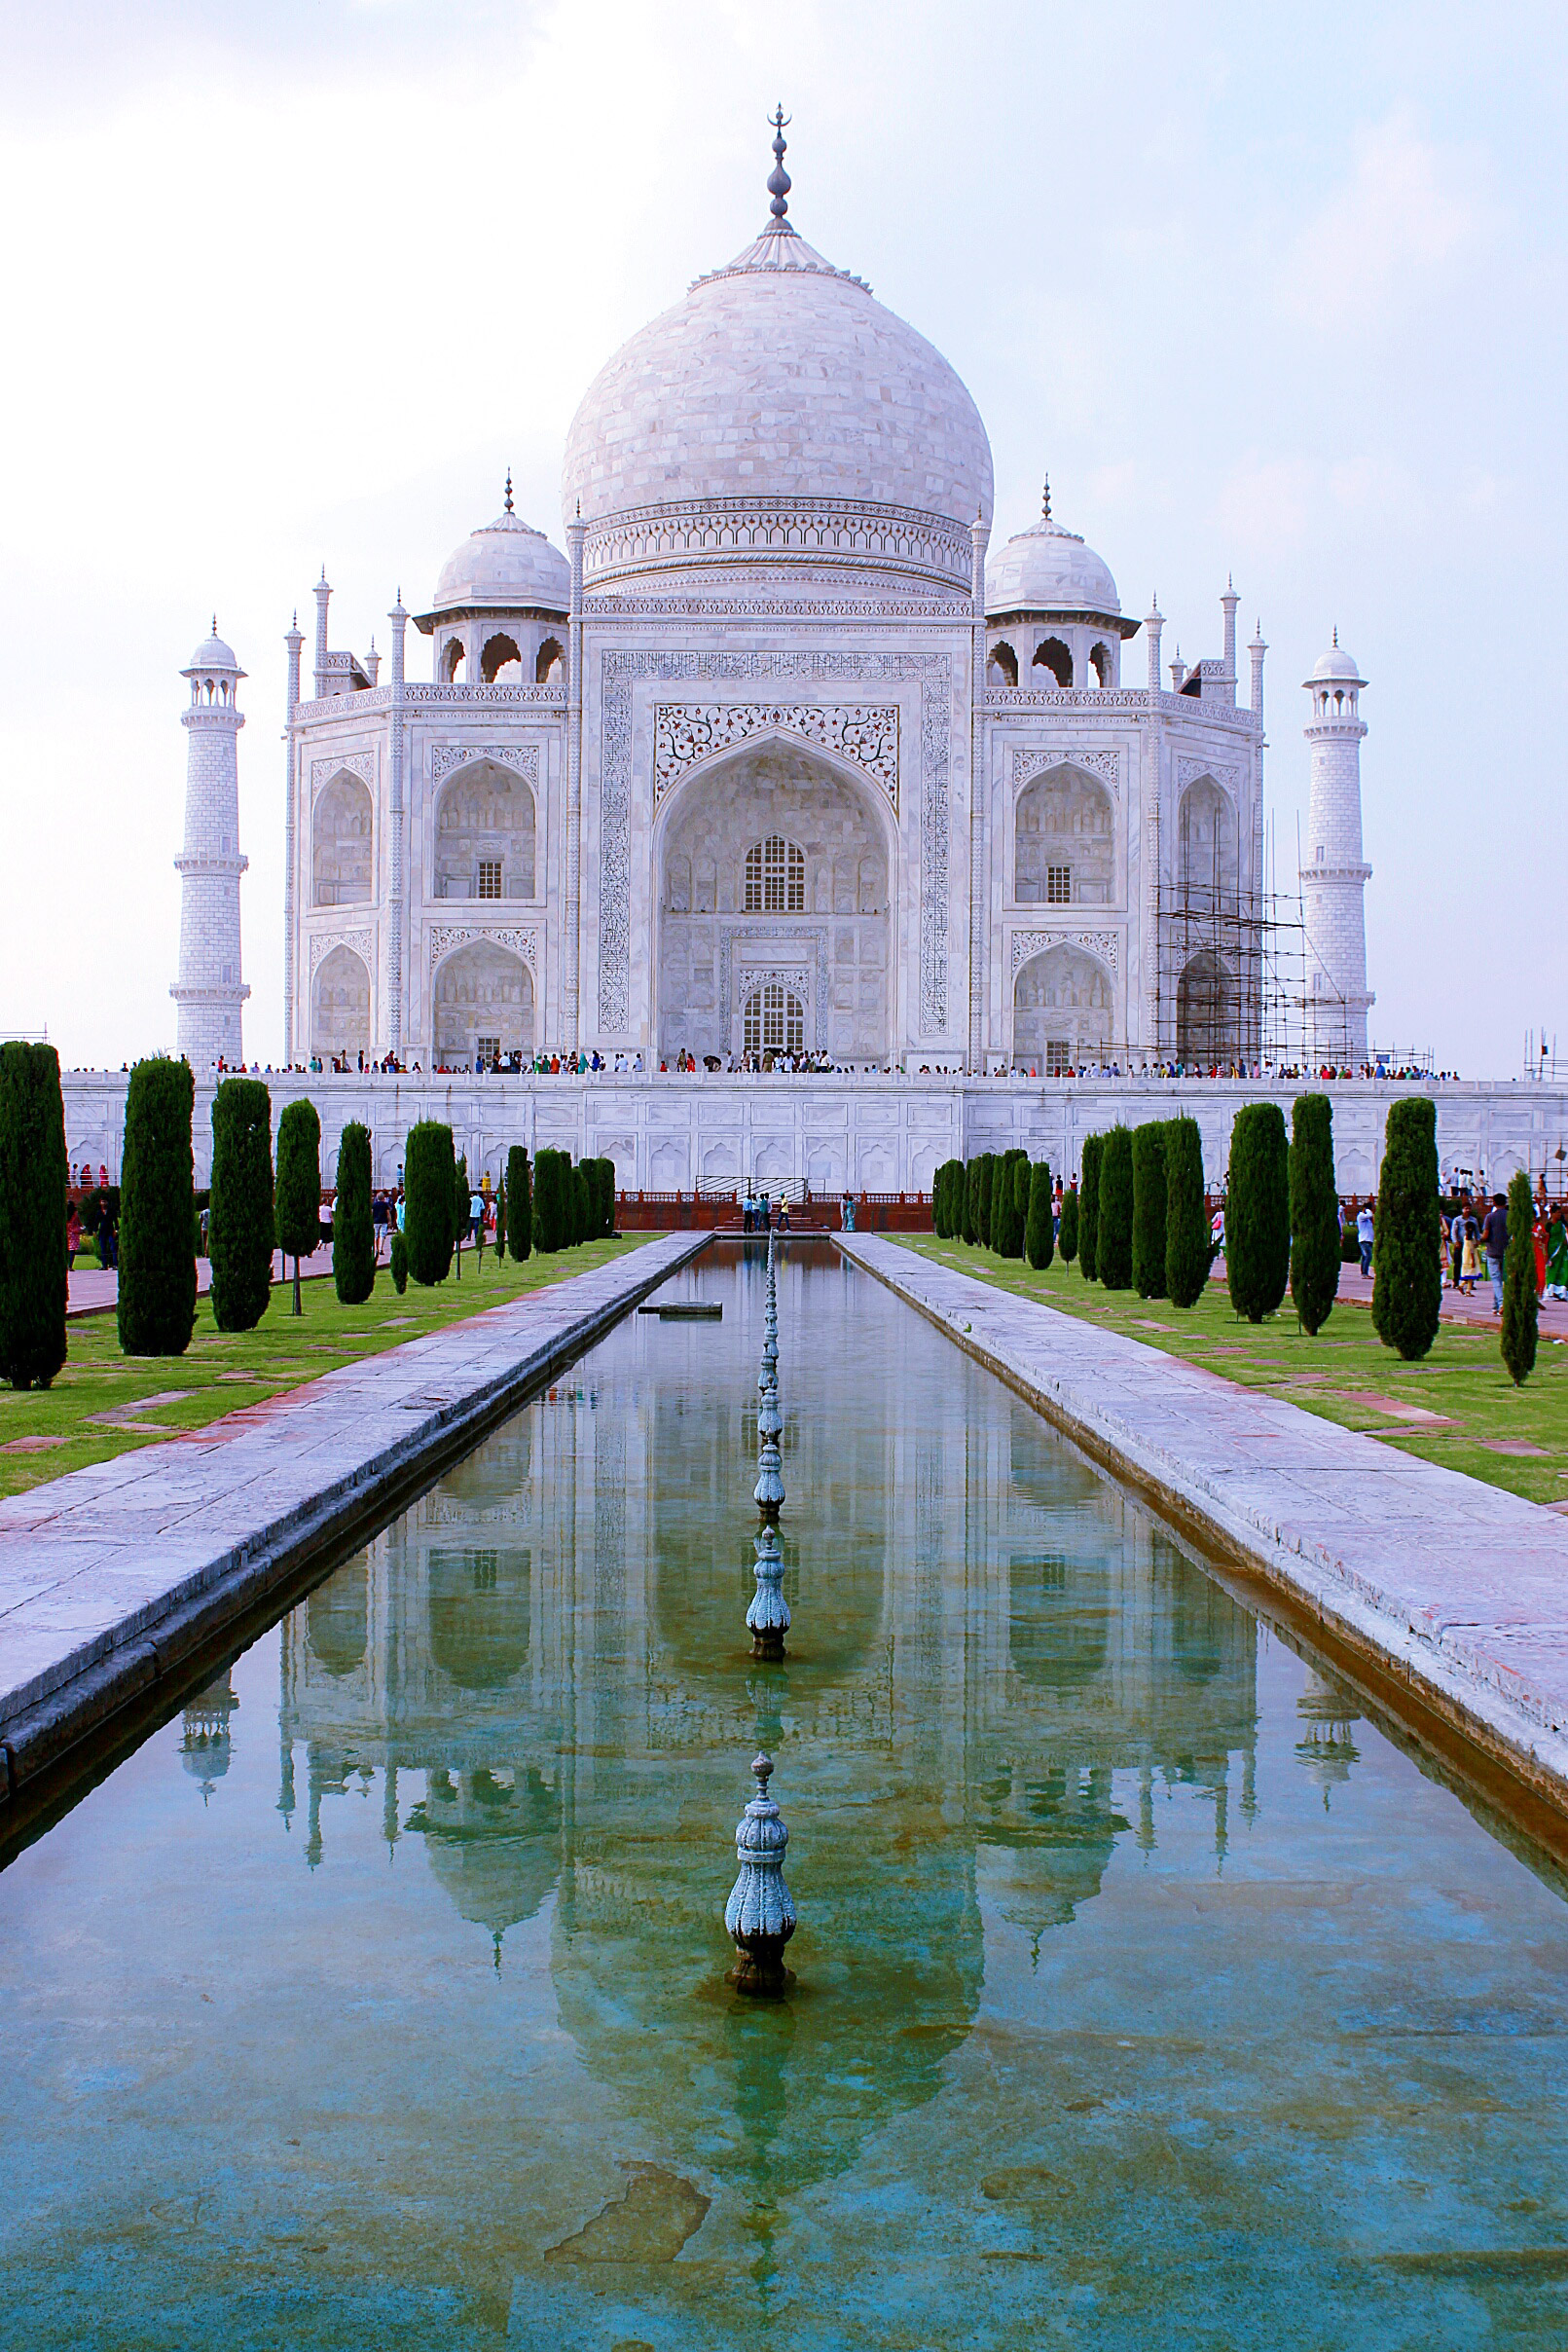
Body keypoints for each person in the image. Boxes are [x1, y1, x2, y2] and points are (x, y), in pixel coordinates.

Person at [1481, 1191, 1509, 1315]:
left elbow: (1486, 1235)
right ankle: (1495, 1306)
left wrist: (1479, 1239)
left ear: (1494, 1202)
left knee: (1496, 1279)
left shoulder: (1490, 1217)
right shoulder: (1510, 1216)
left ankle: (1502, 1303)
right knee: (1502, 1279)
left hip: (1493, 1251)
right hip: (1506, 1251)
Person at [1356, 1199, 1374, 1278]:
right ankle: (1364, 1274)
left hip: (1369, 1239)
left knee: (1364, 1256)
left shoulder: (1367, 1219)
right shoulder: (1361, 1216)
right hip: (1364, 1240)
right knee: (1368, 1256)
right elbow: (1370, 1215)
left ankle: (1364, 1272)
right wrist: (1367, 1209)